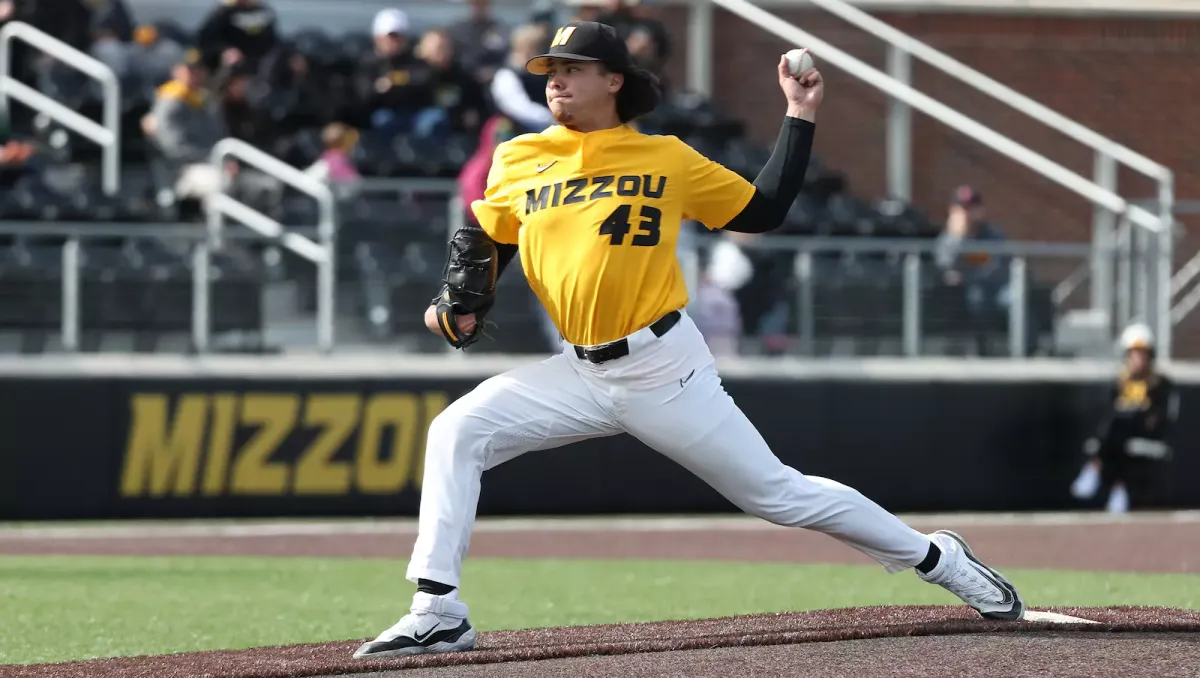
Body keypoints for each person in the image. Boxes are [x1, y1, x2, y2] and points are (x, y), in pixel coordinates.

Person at [352, 21, 1025, 660]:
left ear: (613, 80)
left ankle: (937, 559)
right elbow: (488, 236)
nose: (555, 80)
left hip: (661, 367)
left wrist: (799, 114)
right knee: (455, 432)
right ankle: (438, 609)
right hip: (578, 372)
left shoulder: (663, 157)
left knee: (778, 495)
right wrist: (457, 300)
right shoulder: (520, 156)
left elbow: (763, 211)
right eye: (549, 70)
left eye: (572, 69)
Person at [1070, 323, 1179, 513]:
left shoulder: (1161, 383)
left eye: (1142, 353)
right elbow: (1108, 410)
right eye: (1134, 354)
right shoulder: (1119, 382)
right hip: (1119, 434)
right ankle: (1117, 488)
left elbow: (1162, 415)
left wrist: (1143, 413)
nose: (1138, 359)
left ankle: (1095, 466)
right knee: (1119, 431)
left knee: (1121, 424)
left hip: (1147, 431)